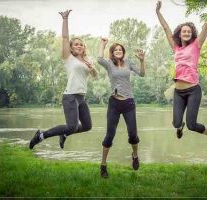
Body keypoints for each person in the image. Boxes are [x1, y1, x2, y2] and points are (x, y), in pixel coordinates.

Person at [156, 0, 207, 150]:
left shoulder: (197, 45)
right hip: (178, 91)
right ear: (180, 34)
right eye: (184, 31)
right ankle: (179, 126)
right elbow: (165, 28)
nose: (187, 32)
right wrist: (158, 12)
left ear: (192, 33)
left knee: (192, 125)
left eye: (189, 31)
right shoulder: (175, 47)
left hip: (193, 90)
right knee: (176, 123)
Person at [29, 9, 98, 150]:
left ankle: (65, 134)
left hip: (81, 98)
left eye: (81, 44)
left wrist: (92, 68)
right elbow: (65, 38)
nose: (78, 45)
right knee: (72, 126)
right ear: (71, 48)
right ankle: (41, 135)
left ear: (84, 47)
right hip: (70, 96)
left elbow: (95, 76)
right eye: (76, 44)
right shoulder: (68, 59)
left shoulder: (87, 60)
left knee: (87, 126)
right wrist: (65, 19)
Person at [97, 38, 145, 178]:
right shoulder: (109, 64)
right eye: (116, 50)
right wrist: (103, 44)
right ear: (112, 53)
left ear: (123, 52)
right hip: (114, 103)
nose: (118, 51)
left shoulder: (128, 63)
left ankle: (135, 156)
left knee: (133, 134)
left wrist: (142, 60)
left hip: (129, 103)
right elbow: (99, 59)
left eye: (120, 50)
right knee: (109, 135)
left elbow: (142, 74)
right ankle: (103, 165)